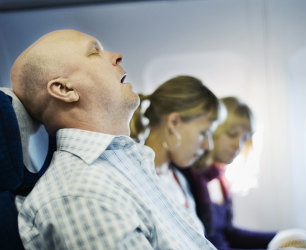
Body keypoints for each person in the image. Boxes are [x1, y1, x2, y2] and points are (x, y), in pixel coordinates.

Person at [11, 29, 215, 249]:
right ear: (64, 89)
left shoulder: (127, 160)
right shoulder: (81, 195)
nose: (117, 56)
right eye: (94, 52)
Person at [181, 97, 277, 250]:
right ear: (214, 131)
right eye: (232, 134)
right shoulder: (191, 177)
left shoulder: (220, 179)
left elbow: (229, 234)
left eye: (244, 138)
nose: (238, 145)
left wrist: (279, 238)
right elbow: (211, 243)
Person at [130, 75, 221, 227]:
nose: (208, 145)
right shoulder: (135, 179)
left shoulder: (178, 178)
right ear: (174, 122)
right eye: (203, 133)